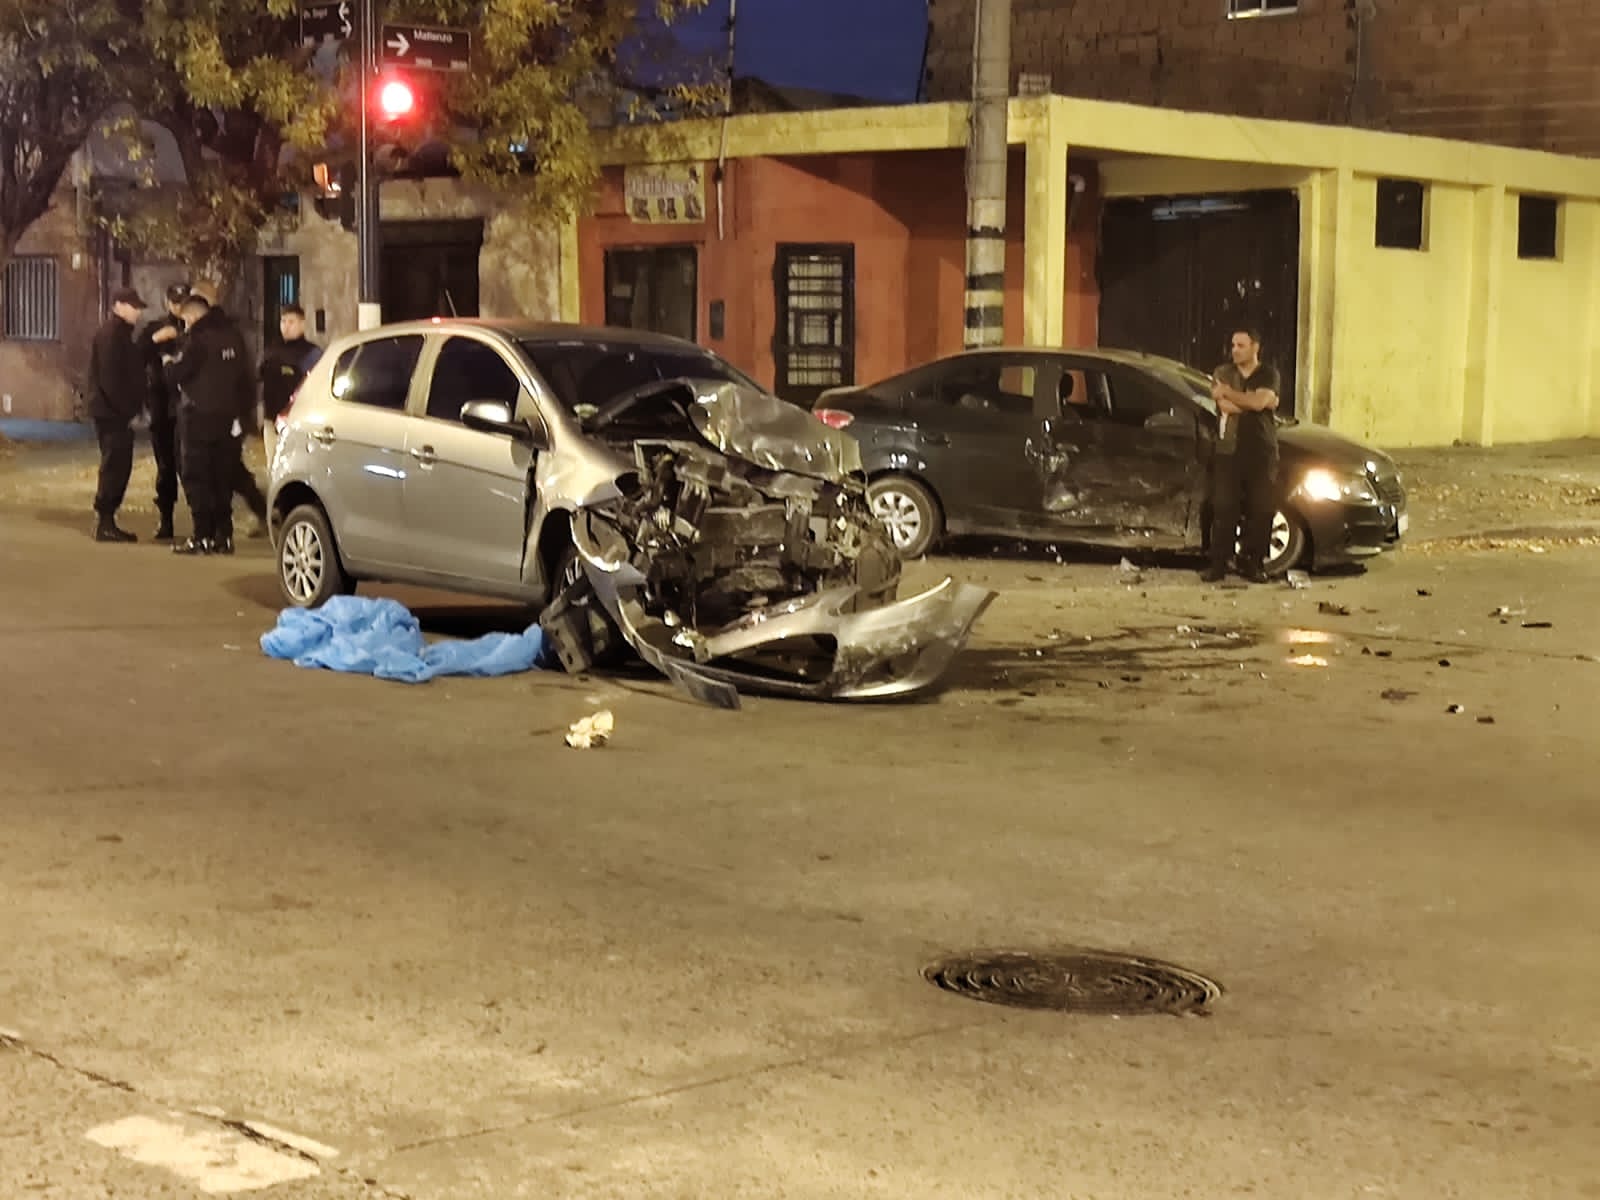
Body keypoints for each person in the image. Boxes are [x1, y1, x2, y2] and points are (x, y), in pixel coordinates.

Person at [164, 294, 255, 555]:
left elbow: (177, 375)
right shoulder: (234, 337)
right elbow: (246, 378)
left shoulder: (197, 341)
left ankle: (202, 535)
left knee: (198, 477)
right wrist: (242, 417)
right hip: (229, 421)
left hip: (199, 419)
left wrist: (168, 364)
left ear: (193, 316)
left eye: (185, 321)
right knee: (222, 478)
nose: (185, 326)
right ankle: (224, 536)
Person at [1202, 326, 1281, 584]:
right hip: (1229, 450)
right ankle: (1218, 565)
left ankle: (1253, 564)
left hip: (1261, 451)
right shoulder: (1223, 373)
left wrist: (1232, 393)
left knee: (1261, 510)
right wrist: (1258, 402)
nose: (1234, 350)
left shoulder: (1268, 374)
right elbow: (1226, 406)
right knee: (1224, 508)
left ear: (1255, 347)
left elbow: (1257, 402)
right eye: (1233, 345)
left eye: (1241, 346)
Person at [190, 279, 268, 536]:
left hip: (221, 412)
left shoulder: (213, 332)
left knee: (223, 469)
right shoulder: (228, 330)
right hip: (230, 411)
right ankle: (260, 512)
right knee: (230, 468)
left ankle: (226, 525)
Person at [86, 287, 149, 543]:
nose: (138, 312)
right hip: (113, 413)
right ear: (118, 306)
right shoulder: (112, 335)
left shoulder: (119, 334)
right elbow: (112, 380)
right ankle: (105, 521)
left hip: (113, 411)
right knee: (115, 465)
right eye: (133, 307)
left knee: (118, 464)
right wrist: (128, 412)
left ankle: (107, 520)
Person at [138, 284, 191, 541]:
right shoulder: (155, 327)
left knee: (188, 464)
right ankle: (166, 520)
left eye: (183, 301)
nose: (178, 306)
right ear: (167, 302)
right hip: (161, 404)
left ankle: (202, 522)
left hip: (186, 404)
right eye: (174, 301)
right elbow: (137, 355)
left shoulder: (195, 328)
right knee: (165, 465)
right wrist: (155, 340)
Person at [258, 303, 322, 463]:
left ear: (302, 324)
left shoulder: (311, 353)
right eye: (283, 321)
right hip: (271, 418)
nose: (286, 326)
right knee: (272, 464)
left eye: (291, 322)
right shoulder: (271, 350)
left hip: (296, 421)